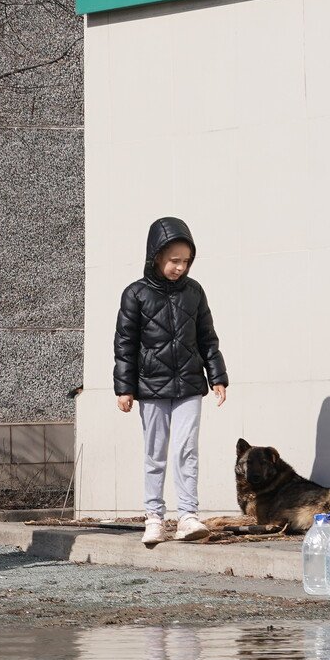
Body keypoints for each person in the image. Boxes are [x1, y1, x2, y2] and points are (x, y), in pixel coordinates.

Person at [114, 217, 227, 547]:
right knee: (155, 454)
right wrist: (125, 387)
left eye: (186, 261)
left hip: (190, 384)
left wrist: (217, 376)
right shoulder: (135, 294)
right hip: (151, 387)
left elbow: (207, 337)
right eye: (174, 260)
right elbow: (125, 343)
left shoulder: (195, 292)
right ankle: (154, 517)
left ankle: (189, 516)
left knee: (186, 450)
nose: (181, 267)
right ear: (156, 256)